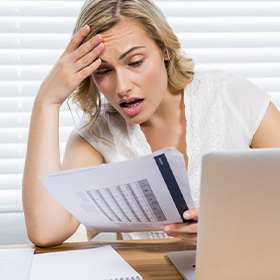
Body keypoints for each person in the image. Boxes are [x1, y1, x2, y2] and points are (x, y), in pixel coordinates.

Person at [22, 0, 280, 247]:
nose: (122, 87)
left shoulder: (232, 97)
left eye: (135, 62)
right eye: (103, 70)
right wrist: (46, 103)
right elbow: (46, 231)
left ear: (165, 49)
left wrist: (231, 227)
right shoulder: (97, 137)